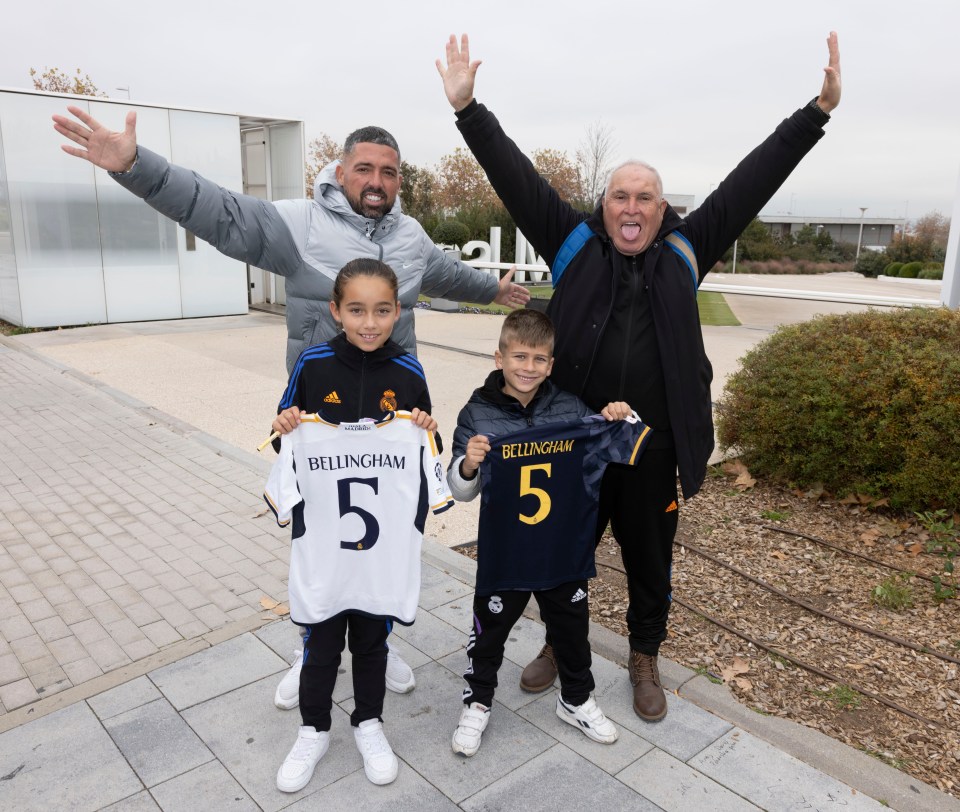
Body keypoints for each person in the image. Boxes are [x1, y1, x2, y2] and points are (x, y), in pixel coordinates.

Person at [52, 106, 529, 699]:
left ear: (400, 180)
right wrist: (135, 167)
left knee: (385, 542)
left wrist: (495, 289)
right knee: (318, 545)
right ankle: (314, 652)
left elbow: (442, 274)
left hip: (390, 427)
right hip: (320, 423)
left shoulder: (409, 236)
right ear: (340, 170)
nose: (377, 181)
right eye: (364, 169)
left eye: (389, 171)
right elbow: (219, 211)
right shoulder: (299, 225)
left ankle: (378, 642)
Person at [437, 32, 842, 722]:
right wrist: (470, 110)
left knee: (651, 562)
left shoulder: (689, 247)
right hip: (575, 445)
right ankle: (565, 649)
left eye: (645, 197)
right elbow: (516, 176)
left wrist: (816, 112)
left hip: (651, 451)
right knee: (564, 552)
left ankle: (645, 653)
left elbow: (752, 179)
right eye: (620, 195)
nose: (631, 206)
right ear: (604, 206)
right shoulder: (571, 245)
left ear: (661, 208)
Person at [264, 257, 453, 791]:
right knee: (320, 646)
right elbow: (284, 440)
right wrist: (283, 427)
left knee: (372, 643)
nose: (369, 322)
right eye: (356, 310)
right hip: (325, 547)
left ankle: (369, 722)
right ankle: (313, 729)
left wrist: (424, 427)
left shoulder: (409, 372)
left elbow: (425, 448)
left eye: (382, 310)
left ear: (398, 312)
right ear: (335, 311)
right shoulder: (313, 363)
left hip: (379, 555)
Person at [446, 309, 650, 755]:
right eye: (519, 356)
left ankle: (576, 699)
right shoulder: (477, 412)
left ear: (551, 365)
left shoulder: (569, 408)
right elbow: (459, 489)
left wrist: (617, 414)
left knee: (572, 632)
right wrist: (469, 464)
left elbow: (613, 441)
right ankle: (478, 701)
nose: (528, 367)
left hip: (561, 547)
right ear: (499, 357)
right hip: (506, 550)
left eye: (539, 359)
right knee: (490, 632)